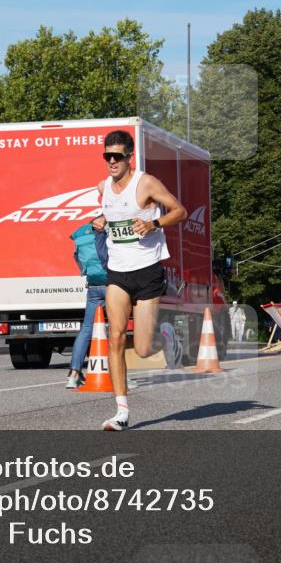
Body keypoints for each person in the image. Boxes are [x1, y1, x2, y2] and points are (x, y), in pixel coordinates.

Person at [92, 130, 187, 431]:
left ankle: (167, 337)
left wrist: (153, 223)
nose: (111, 161)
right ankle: (121, 411)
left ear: (129, 157)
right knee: (116, 336)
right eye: (107, 156)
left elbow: (180, 211)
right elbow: (112, 216)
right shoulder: (103, 187)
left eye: (116, 156)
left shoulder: (145, 183)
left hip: (147, 271)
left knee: (144, 349)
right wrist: (101, 222)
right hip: (118, 272)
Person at [65, 220, 109, 389]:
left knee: (86, 329)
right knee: (117, 329)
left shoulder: (81, 233)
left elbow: (78, 258)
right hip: (111, 284)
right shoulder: (107, 230)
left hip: (93, 285)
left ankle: (73, 375)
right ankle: (122, 376)